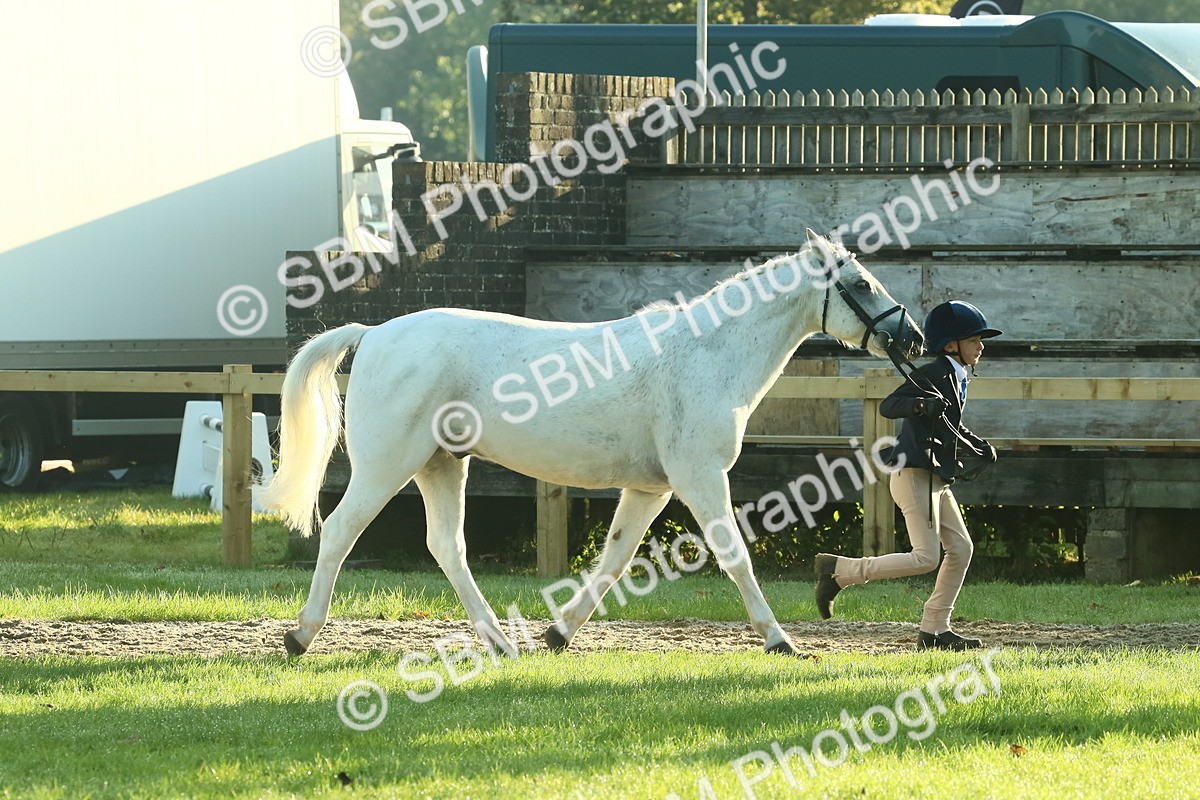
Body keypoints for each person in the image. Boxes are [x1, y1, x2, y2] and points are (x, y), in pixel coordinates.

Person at [814, 300, 1002, 651]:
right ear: (951, 345)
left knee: (961, 548)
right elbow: (889, 405)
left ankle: (934, 629)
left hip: (935, 478)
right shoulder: (932, 373)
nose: (981, 345)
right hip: (913, 474)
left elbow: (950, 425)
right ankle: (839, 572)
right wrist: (920, 404)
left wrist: (978, 444)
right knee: (925, 558)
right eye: (974, 339)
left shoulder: (955, 376)